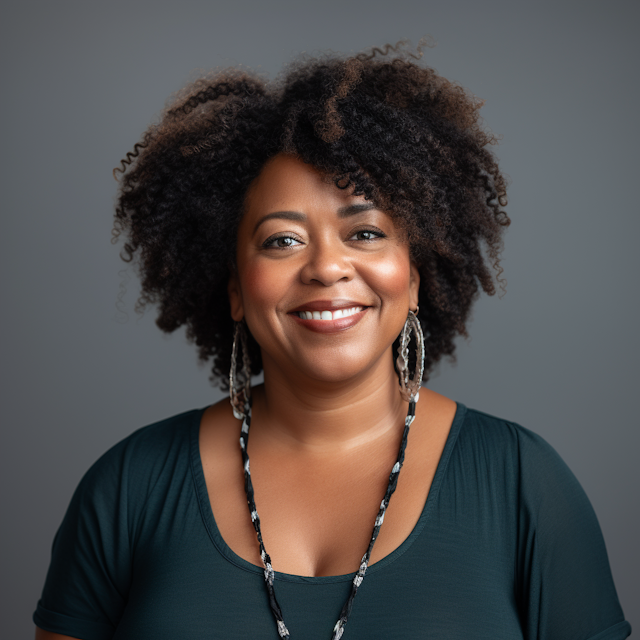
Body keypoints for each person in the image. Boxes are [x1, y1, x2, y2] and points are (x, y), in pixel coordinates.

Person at [34, 42, 631, 640]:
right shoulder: (129, 487)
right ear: (236, 290)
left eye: (365, 232)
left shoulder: (525, 484)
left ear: (414, 280)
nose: (326, 267)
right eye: (282, 241)